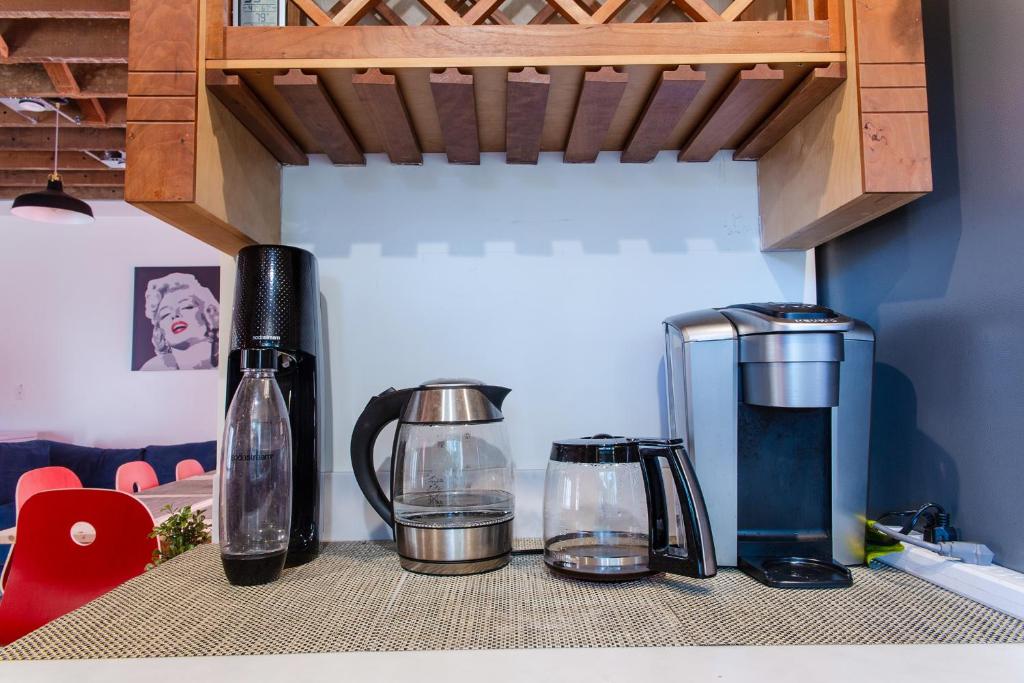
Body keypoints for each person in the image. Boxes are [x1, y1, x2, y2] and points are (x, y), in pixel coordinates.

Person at [140, 272, 219, 371]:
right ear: (160, 331)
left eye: (186, 307)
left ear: (209, 314)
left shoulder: (228, 360)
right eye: (165, 314)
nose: (174, 315)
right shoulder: (151, 369)